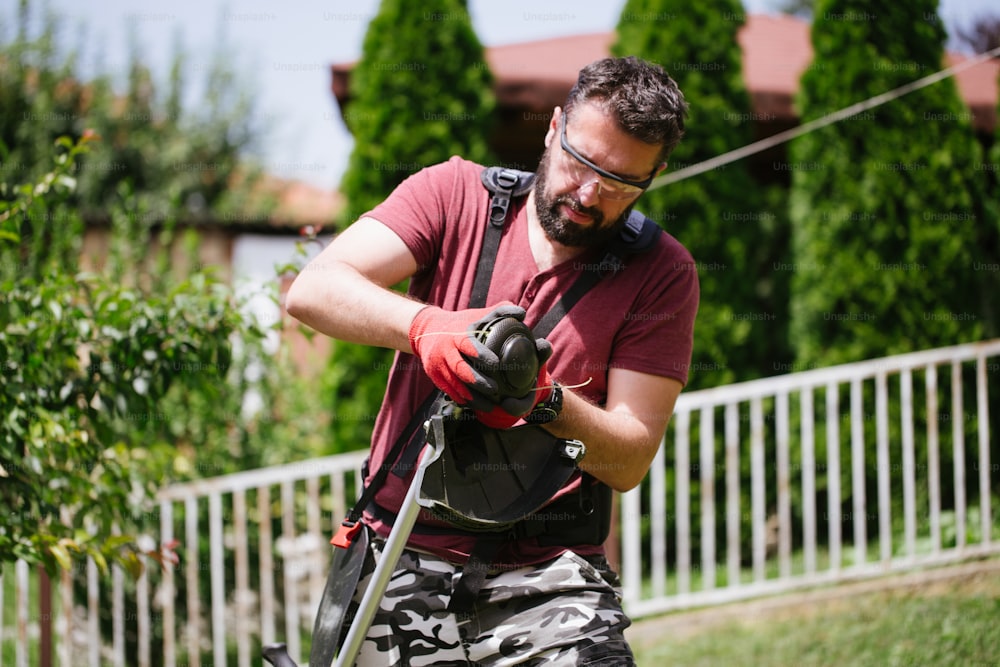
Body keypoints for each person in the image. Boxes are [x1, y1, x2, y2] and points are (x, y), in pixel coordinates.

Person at [286, 56, 698, 666]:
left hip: (549, 572)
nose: (589, 194)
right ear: (553, 127)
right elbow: (312, 290)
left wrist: (544, 400)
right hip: (401, 545)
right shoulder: (452, 193)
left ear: (656, 174)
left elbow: (630, 455)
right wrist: (424, 326)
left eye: (620, 184)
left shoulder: (662, 272)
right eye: (581, 162)